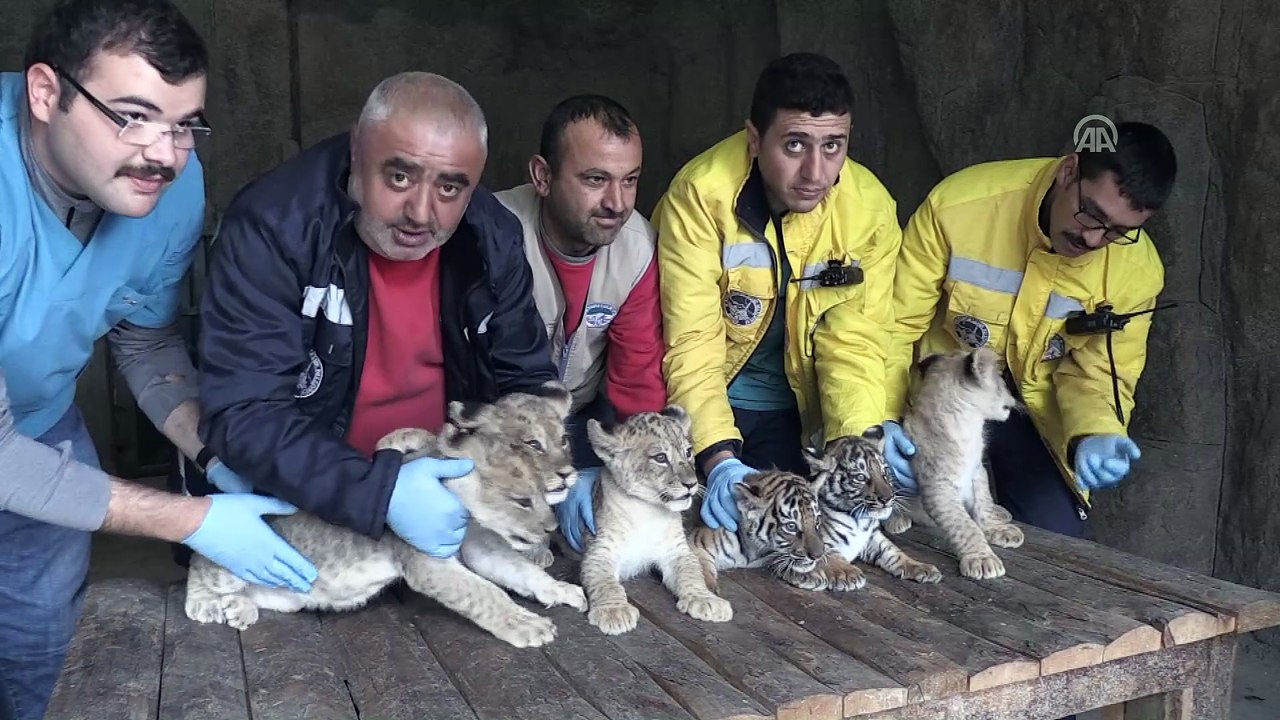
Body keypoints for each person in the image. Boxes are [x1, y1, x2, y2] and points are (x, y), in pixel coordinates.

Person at [0, 2, 316, 718]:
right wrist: (192, 520)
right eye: (133, 115)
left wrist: (216, 454)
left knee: (40, 655)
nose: (164, 154)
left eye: (183, 124)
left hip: (39, 425)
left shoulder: (169, 186)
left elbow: (143, 337)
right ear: (45, 92)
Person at [196, 71, 559, 559]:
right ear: (356, 153)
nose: (421, 212)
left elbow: (526, 381)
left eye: (451, 188)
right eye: (400, 176)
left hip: (450, 506)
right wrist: (381, 491)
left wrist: (532, 485)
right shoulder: (273, 227)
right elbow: (246, 412)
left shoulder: (492, 238)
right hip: (302, 509)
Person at [883, 121, 1178, 540]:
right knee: (916, 532)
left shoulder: (1138, 272)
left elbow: (1101, 374)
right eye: (1091, 214)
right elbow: (892, 326)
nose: (1094, 239)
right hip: (940, 398)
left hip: (1036, 416)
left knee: (1055, 548)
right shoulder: (959, 206)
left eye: (1117, 232)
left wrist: (1097, 431)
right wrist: (880, 418)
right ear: (1068, 171)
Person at [651, 52, 903, 532]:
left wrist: (856, 447)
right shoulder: (700, 195)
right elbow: (691, 341)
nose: (816, 172)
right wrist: (716, 457)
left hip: (799, 409)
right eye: (794, 145)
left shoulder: (870, 208)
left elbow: (857, 340)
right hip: (712, 397)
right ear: (754, 139)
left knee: (813, 537)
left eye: (834, 146)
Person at [494, 95, 667, 552]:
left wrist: (635, 465)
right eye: (596, 180)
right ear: (543, 176)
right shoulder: (492, 231)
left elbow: (638, 379)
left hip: (583, 418)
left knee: (612, 526)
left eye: (629, 181)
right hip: (497, 422)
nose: (617, 203)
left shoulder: (638, 247)